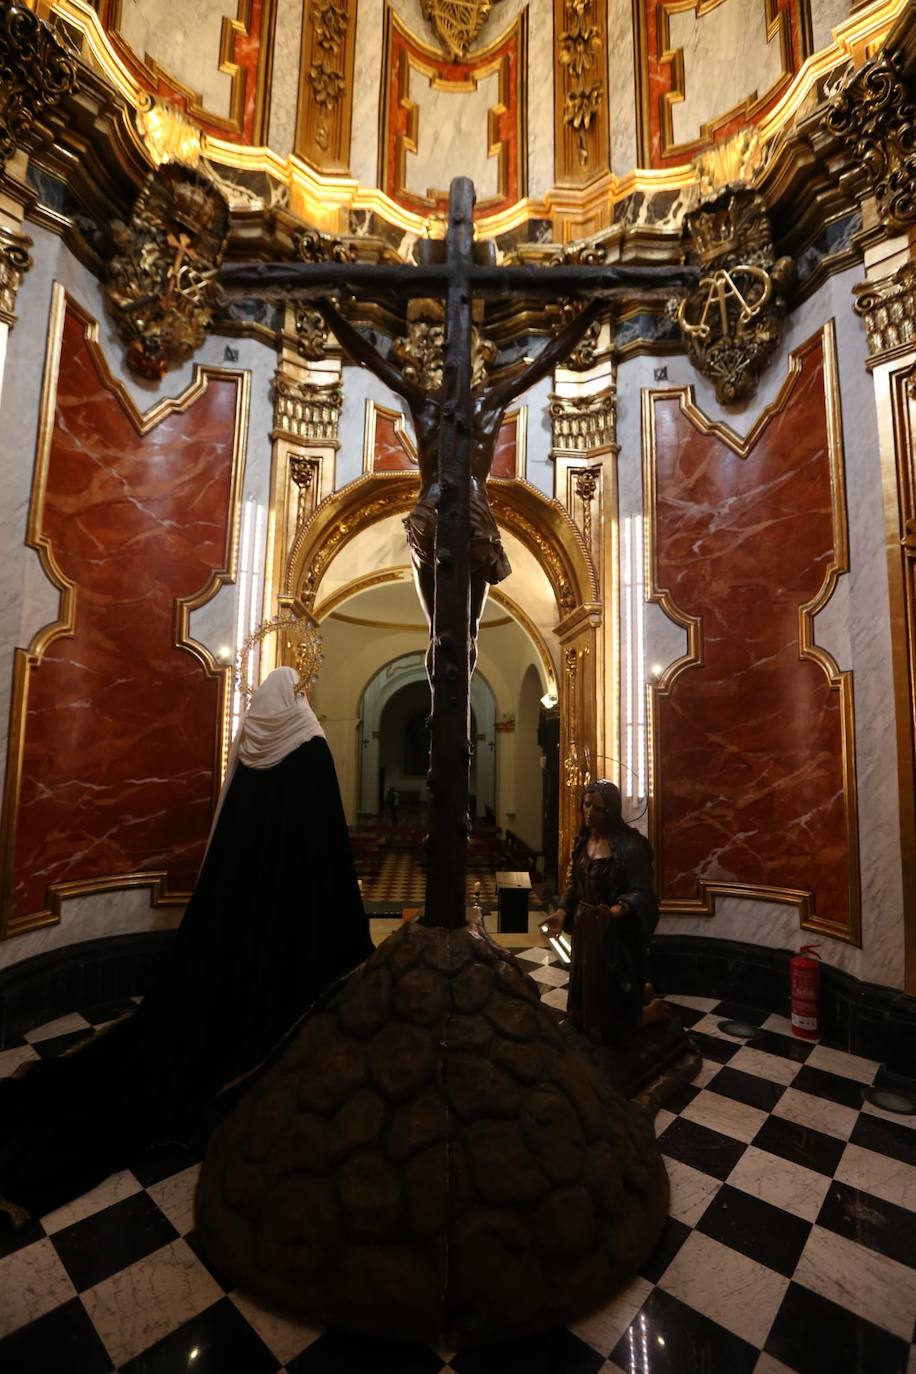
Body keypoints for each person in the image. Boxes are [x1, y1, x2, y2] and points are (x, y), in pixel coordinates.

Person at [0, 667, 373, 1226]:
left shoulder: (250, 742)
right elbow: (322, 840)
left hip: (238, 910)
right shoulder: (309, 742)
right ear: (295, 696)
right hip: (294, 909)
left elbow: (231, 836)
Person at [315, 295, 603, 678]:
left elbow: (369, 356)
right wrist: (591, 312)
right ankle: (460, 717)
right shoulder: (490, 403)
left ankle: (441, 710)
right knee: (469, 632)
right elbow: (548, 358)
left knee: (438, 631)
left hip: (429, 514)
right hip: (475, 517)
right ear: (475, 365)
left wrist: (326, 309)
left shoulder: (425, 404)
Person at [546, 779, 660, 1045]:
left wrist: (616, 911)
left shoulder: (630, 846)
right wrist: (562, 912)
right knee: (585, 996)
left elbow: (642, 893)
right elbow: (576, 882)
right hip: (586, 927)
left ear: (610, 810)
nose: (589, 813)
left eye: (596, 808)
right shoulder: (583, 841)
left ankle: (648, 1014)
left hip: (612, 933)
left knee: (612, 1000)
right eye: (586, 805)